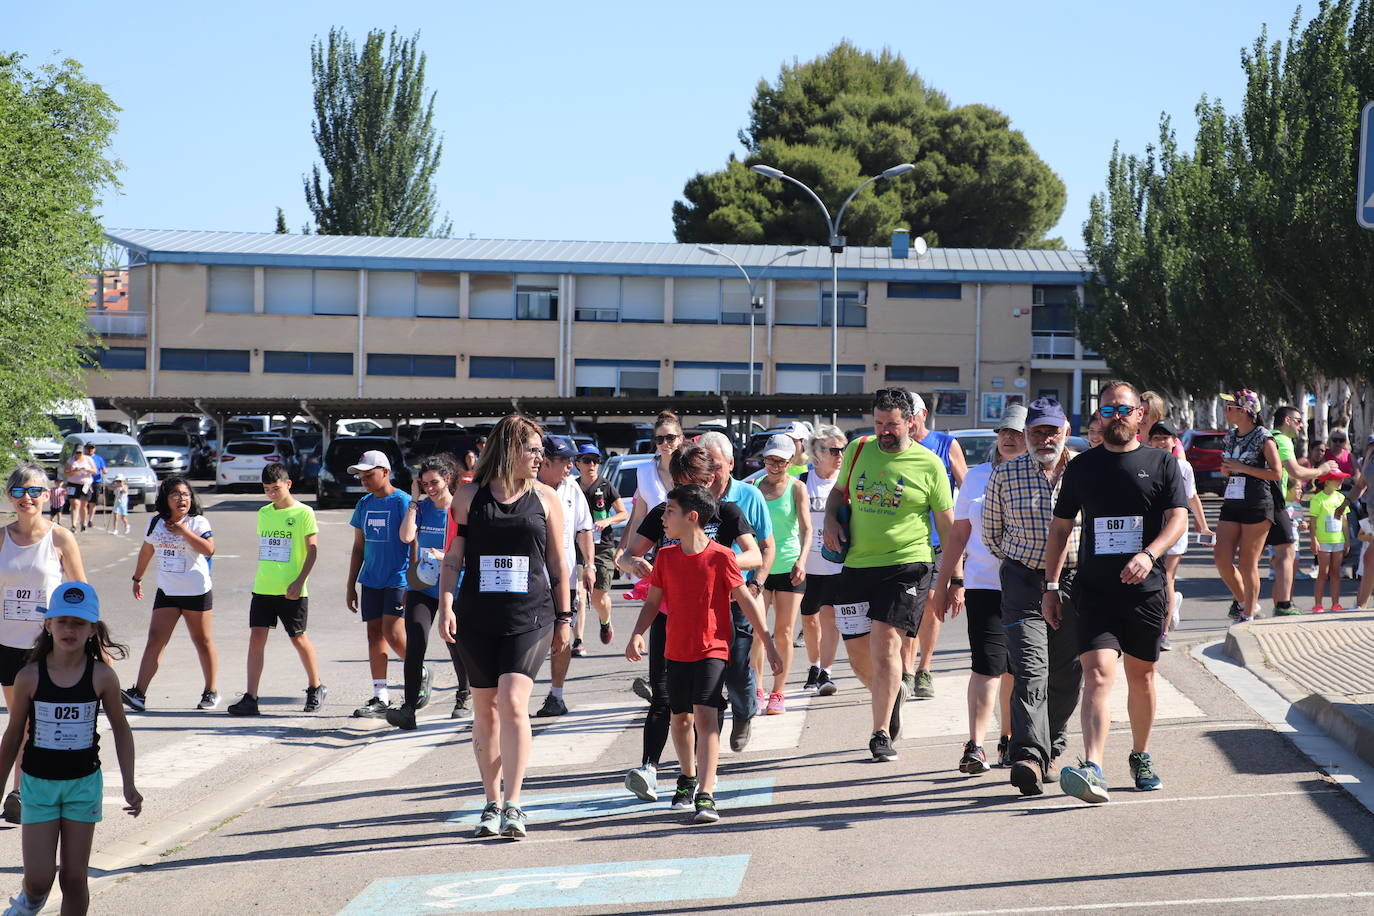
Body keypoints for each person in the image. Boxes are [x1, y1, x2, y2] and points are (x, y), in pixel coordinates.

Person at [1046, 380, 1189, 804]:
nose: (1116, 418)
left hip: (1145, 592)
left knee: (1141, 676)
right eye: (1107, 411)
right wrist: (1052, 587)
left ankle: (1141, 756)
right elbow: (1059, 528)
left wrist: (1149, 554)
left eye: (1123, 410)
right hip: (1093, 591)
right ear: (1099, 417)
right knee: (1097, 675)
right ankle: (1093, 767)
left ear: (1140, 414)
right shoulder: (1082, 467)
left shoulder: (1162, 463)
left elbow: (1178, 519)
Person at [437, 414, 571, 840]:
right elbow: (454, 557)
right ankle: (490, 802)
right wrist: (446, 604)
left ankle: (514, 803)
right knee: (486, 709)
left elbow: (557, 564)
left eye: (540, 450)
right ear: (510, 448)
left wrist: (565, 619)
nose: (539, 457)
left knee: (514, 701)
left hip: (531, 615)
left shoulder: (548, 498)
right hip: (478, 614)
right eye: (532, 449)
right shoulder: (467, 497)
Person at [625, 484, 781, 823]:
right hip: (676, 649)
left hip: (713, 647)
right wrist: (637, 634)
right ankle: (688, 777)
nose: (662, 517)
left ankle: (706, 793)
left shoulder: (722, 556)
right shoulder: (665, 557)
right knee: (681, 719)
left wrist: (768, 644)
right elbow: (653, 602)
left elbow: (746, 601)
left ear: (691, 517)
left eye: (668, 512)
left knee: (706, 717)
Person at [822, 386, 955, 762]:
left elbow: (947, 527)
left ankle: (880, 733)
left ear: (911, 422)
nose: (884, 431)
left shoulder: (929, 464)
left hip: (907, 565)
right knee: (859, 658)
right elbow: (839, 493)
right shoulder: (858, 449)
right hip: (857, 565)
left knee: (887, 647)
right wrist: (832, 518)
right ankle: (892, 690)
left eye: (892, 424)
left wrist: (952, 579)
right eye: (879, 423)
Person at [0, 582, 140, 916]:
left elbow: (121, 729)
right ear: (48, 625)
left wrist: (129, 785)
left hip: (82, 785)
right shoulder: (29, 677)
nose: (69, 629)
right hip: (39, 787)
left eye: (79, 623)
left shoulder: (103, 677)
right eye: (62, 621)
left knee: (75, 879)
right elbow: (13, 735)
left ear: (93, 629)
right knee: (38, 878)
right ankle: (27, 904)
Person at [981, 397, 1083, 795]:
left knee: (1067, 671)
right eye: (1036, 432)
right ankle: (1028, 756)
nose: (1044, 439)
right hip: (1024, 583)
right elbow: (992, 536)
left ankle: (1054, 745)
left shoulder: (1085, 471)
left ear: (1066, 432)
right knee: (1029, 668)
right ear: (1025, 434)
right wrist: (1028, 564)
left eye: (1051, 431)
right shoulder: (1006, 475)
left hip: (1076, 583)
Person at [930, 405, 1026, 774]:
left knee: (1017, 669)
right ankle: (976, 745)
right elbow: (958, 534)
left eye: (1016, 433)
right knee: (987, 665)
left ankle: (1009, 738)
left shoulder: (1039, 476)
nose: (1008, 438)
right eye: (1003, 432)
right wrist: (947, 583)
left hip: (1027, 584)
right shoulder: (976, 477)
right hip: (984, 583)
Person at [1, 465, 86, 826]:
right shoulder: (0, 538)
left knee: (35, 722)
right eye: (19, 492)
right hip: (6, 643)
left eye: (34, 492)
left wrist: (93, 641)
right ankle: (21, 790)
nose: (27, 499)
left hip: (45, 646)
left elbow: (80, 592)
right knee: (17, 722)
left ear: (47, 496)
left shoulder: (60, 538)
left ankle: (23, 792)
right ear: (10, 497)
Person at [227, 463, 326, 717]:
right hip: (264, 587)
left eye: (276, 488)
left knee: (298, 638)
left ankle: (316, 687)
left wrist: (299, 580)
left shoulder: (304, 513)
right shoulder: (264, 513)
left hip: (292, 588)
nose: (272, 493)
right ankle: (251, 697)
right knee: (256, 639)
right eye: (267, 489)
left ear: (288, 484)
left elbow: (312, 550)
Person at [697, 430, 775, 752]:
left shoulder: (749, 496)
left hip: (739, 596)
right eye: (705, 466)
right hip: (700, 600)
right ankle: (711, 722)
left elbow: (766, 547)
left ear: (731, 463)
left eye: (716, 465)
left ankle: (743, 713)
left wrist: (756, 583)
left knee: (738, 666)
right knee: (706, 665)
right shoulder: (693, 497)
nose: (711, 473)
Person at [122, 476, 219, 712]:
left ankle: (211, 691)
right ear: (166, 499)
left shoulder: (198, 523)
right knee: (155, 639)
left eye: (185, 494)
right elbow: (146, 551)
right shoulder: (155, 522)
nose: (182, 498)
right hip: (168, 591)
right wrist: (137, 578)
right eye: (175, 494)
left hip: (196, 591)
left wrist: (184, 532)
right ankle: (139, 693)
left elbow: (209, 549)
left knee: (202, 641)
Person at [386, 454, 469, 729]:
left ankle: (464, 695)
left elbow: (471, 553)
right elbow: (406, 537)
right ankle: (409, 708)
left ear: (447, 479)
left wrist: (445, 557)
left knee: (455, 642)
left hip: (454, 585)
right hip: (422, 585)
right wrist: (413, 501)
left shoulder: (460, 509)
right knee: (416, 643)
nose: (430, 489)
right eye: (424, 484)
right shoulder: (422, 509)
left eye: (434, 483)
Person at [902, 392, 968, 701]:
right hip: (906, 542)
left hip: (940, 540)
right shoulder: (895, 448)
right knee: (906, 608)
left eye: (912, 415)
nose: (909, 422)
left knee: (931, 603)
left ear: (923, 414)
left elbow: (966, 486)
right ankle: (905, 669)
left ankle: (924, 668)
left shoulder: (944, 444)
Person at [344, 449, 415, 718]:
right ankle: (380, 695)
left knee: (393, 633)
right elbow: (358, 548)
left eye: (369, 474)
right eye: (360, 475)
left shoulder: (403, 502)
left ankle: (417, 671)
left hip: (398, 578)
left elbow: (414, 545)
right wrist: (350, 584)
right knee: (374, 634)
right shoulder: (363, 504)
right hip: (370, 579)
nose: (364, 479)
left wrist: (412, 582)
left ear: (385, 472)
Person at [531, 436, 594, 718]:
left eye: (572, 461)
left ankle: (556, 695)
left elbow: (585, 529)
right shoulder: (528, 488)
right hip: (532, 578)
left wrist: (590, 565)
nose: (572, 466)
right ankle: (517, 694)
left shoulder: (572, 488)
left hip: (565, 579)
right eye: (566, 461)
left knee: (562, 637)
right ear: (545, 462)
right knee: (530, 639)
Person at [1212, 390, 1284, 623]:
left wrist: (1243, 468)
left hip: (1257, 501)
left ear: (1244, 411)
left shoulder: (1264, 436)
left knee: (1247, 562)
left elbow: (1276, 473)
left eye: (1229, 407)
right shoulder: (1230, 436)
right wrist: (1228, 470)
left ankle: (1249, 614)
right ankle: (1245, 601)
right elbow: (1230, 464)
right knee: (1221, 557)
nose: (1226, 411)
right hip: (1232, 498)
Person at [752, 434, 811, 714]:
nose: (773, 466)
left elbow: (807, 529)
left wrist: (802, 560)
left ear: (789, 462)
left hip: (788, 566)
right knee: (757, 632)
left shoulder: (797, 488)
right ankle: (757, 688)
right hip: (759, 569)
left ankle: (779, 692)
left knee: (784, 632)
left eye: (779, 461)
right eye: (769, 460)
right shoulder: (753, 486)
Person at [1147, 421, 1212, 651]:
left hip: (1175, 529)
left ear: (1174, 441)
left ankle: (1162, 633)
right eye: (1156, 437)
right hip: (1148, 530)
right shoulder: (1143, 464)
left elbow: (1192, 497)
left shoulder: (1183, 468)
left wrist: (1203, 526)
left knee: (1167, 579)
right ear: (1149, 441)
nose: (1161, 441)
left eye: (1166, 437)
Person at [1266, 407, 1334, 616]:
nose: (1302, 425)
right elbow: (1296, 471)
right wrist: (1321, 471)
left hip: (1260, 499)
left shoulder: (1268, 437)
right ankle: (1283, 604)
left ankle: (1250, 606)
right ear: (1287, 420)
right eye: (1298, 421)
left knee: (1265, 557)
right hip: (1273, 502)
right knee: (1287, 551)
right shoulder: (1283, 440)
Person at [797, 425, 847, 698]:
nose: (840, 455)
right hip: (808, 562)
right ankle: (813, 666)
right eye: (834, 450)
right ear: (817, 453)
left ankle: (826, 671)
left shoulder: (845, 483)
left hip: (836, 563)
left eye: (843, 449)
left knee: (830, 617)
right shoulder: (803, 481)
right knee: (809, 620)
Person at [576, 444, 627, 652]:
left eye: (596, 460)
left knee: (599, 597)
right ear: (577, 463)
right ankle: (578, 641)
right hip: (577, 546)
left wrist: (607, 522)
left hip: (602, 546)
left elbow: (623, 513)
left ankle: (605, 622)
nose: (592, 465)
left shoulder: (605, 486)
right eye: (587, 460)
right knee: (578, 595)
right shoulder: (572, 486)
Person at [1308, 470, 1351, 612]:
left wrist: (1347, 540)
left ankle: (1335, 604)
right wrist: (1314, 539)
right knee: (1323, 572)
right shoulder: (1318, 499)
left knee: (1335, 573)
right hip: (1323, 541)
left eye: (1341, 479)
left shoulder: (1341, 498)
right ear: (1327, 482)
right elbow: (1312, 522)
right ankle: (1318, 604)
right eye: (1337, 479)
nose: (1340, 482)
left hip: (1338, 540)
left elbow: (1345, 522)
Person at [63, 447, 96, 535]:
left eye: (80, 453)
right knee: (75, 504)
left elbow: (95, 471)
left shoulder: (88, 459)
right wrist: (74, 471)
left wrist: (86, 469)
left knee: (84, 505)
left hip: (85, 484)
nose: (78, 454)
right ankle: (73, 525)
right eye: (77, 452)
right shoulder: (71, 460)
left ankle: (83, 522)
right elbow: (66, 472)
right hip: (73, 484)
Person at [83, 445, 106, 531]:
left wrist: (104, 471)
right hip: (85, 482)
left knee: (93, 502)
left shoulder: (99, 458)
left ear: (94, 449)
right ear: (85, 449)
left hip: (96, 482)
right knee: (84, 502)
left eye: (91, 448)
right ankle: (84, 520)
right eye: (88, 448)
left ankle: (90, 520)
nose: (90, 450)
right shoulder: (83, 458)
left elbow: (104, 468)